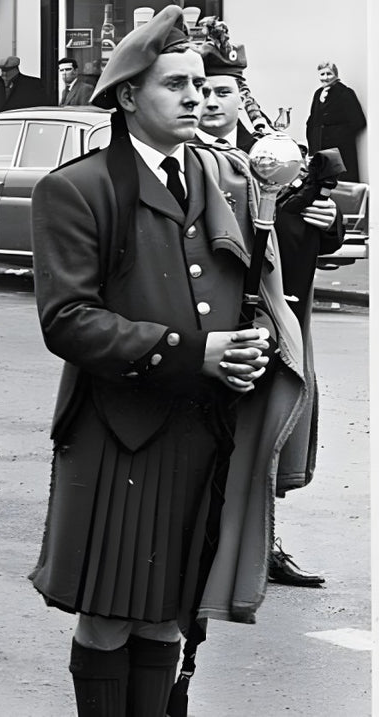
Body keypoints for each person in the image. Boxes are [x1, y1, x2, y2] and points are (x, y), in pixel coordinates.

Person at [28, 5, 312, 716]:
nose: (195, 97)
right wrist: (195, 353)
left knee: (166, 614)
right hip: (119, 432)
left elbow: (265, 286)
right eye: (174, 84)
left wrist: (253, 350)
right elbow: (67, 321)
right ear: (128, 96)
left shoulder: (230, 181)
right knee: (110, 614)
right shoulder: (77, 188)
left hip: (202, 431)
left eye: (200, 82)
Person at [192, 34, 339, 589]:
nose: (209, 101)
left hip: (283, 319)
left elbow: (308, 238)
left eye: (222, 90)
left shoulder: (280, 157)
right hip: (220, 324)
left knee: (271, 441)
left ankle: (263, 546)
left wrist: (329, 224)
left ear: (239, 97)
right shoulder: (190, 162)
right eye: (201, 89)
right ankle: (205, 548)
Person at [305, 61, 364, 183]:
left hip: (340, 152)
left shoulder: (345, 93)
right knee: (321, 187)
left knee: (341, 184)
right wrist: (313, 147)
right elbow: (313, 120)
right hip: (320, 152)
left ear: (336, 75)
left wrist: (335, 136)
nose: (325, 78)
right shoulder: (317, 94)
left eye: (329, 74)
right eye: (322, 74)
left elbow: (358, 122)